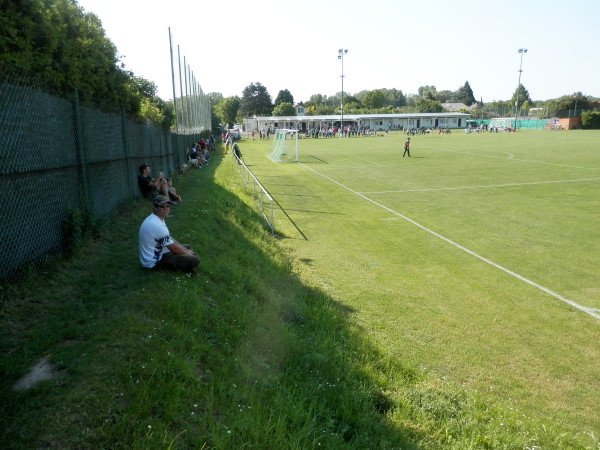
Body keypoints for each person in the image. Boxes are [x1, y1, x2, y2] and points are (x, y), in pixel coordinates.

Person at [139, 195, 199, 272]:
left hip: (160, 251)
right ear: (155, 208)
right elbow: (173, 248)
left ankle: (185, 263)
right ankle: (186, 266)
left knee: (187, 247)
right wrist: (189, 255)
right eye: (162, 206)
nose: (166, 209)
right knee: (195, 260)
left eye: (167, 206)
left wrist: (187, 252)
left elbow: (170, 239)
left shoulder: (157, 218)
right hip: (153, 263)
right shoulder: (156, 225)